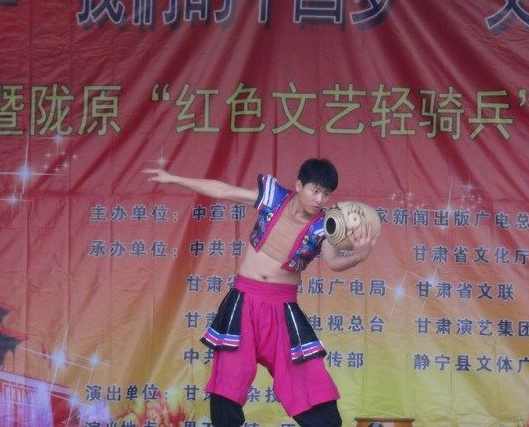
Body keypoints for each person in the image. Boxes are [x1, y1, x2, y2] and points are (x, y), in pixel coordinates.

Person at [144, 158, 378, 427]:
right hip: (244, 302)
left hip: (282, 310)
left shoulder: (323, 226)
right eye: (315, 191)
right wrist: (174, 179)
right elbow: (224, 190)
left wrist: (359, 255)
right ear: (299, 185)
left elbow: (335, 262)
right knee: (229, 380)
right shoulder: (273, 199)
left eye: (326, 194)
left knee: (306, 379)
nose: (320, 199)